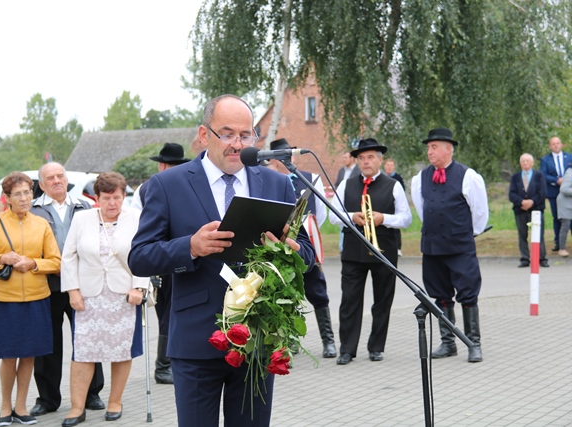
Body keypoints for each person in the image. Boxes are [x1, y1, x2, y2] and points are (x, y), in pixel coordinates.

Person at [128, 94, 315, 427]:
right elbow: (140, 257)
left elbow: (307, 253)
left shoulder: (276, 183)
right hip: (196, 341)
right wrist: (190, 246)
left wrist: (292, 250)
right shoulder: (167, 185)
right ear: (204, 134)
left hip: (258, 338)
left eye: (245, 135)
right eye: (227, 134)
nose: (237, 144)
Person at [60, 172, 146, 426]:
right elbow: (69, 256)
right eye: (106, 198)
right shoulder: (82, 219)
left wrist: (139, 287)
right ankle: (77, 408)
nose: (112, 203)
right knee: (83, 352)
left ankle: (115, 401)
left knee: (121, 350)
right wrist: (72, 290)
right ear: (96, 198)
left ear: (124, 196)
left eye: (117, 197)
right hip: (88, 296)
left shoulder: (136, 218)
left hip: (124, 296)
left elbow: (144, 254)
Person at [0, 171, 61, 426]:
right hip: (5, 300)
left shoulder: (42, 224)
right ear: (7, 197)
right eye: (17, 194)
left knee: (29, 355)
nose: (24, 198)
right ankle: (5, 407)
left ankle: (21, 407)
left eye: (27, 192)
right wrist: (1, 258)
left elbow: (56, 261)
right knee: (8, 355)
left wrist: (33, 263)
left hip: (37, 298)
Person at [29, 163, 105, 417]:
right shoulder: (33, 210)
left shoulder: (84, 206)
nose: (56, 181)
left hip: (81, 286)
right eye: (50, 178)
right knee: (47, 344)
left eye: (60, 176)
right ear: (42, 185)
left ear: (66, 178)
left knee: (86, 339)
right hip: (47, 285)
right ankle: (48, 399)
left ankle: (92, 393)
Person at [329, 138, 411, 365]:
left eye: (370, 157)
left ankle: (376, 347)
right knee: (349, 301)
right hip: (353, 252)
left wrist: (383, 218)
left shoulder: (393, 185)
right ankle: (347, 349)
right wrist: (351, 217)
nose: (366, 162)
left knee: (382, 301)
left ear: (380, 160)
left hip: (384, 251)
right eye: (362, 158)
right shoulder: (346, 184)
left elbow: (406, 218)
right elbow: (332, 215)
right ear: (357, 161)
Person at [410, 128, 489, 363]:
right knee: (440, 295)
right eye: (428, 147)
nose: (429, 152)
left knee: (468, 293)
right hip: (433, 247)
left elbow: (480, 214)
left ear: (448, 149)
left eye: (434, 147)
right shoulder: (420, 178)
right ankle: (448, 342)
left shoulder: (468, 176)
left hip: (460, 246)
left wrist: (464, 234)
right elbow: (423, 210)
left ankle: (473, 343)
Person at [267, 138, 337, 358]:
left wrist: (306, 236)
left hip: (305, 247)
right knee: (286, 294)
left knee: (318, 291)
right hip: (279, 248)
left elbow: (320, 214)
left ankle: (328, 341)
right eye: (280, 156)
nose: (286, 159)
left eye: (289, 155)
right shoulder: (269, 182)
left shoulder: (311, 178)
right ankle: (290, 340)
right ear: (272, 160)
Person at [131, 142, 190, 385]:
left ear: (161, 164)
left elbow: (136, 224)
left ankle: (169, 363)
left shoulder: (147, 188)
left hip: (168, 255)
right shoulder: (179, 185)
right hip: (171, 256)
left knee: (171, 311)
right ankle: (164, 365)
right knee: (168, 312)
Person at [509, 154, 548, 266]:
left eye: (527, 161)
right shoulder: (515, 177)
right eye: (523, 161)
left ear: (532, 163)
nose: (525, 163)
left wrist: (532, 202)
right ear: (520, 163)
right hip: (520, 210)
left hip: (536, 209)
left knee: (539, 234)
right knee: (522, 234)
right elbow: (512, 194)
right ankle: (525, 258)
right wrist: (521, 202)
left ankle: (541, 258)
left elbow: (542, 192)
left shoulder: (539, 176)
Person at [540, 136, 571, 251]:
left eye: (558, 143)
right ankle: (558, 242)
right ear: (550, 146)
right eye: (553, 144)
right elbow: (543, 174)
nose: (556, 145)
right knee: (558, 217)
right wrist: (556, 180)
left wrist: (566, 181)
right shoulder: (545, 160)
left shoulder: (569, 157)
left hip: (569, 192)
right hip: (554, 191)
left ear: (561, 144)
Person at [383, 158, 405, 257]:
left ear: (394, 167)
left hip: (394, 205)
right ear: (384, 166)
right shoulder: (382, 177)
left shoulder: (398, 178)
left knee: (395, 227)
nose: (389, 167)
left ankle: (398, 247)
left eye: (391, 165)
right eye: (388, 165)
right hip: (383, 205)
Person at [556, 167, 572, 257]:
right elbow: (564, 189)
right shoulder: (570, 173)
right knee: (565, 226)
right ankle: (562, 249)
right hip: (565, 204)